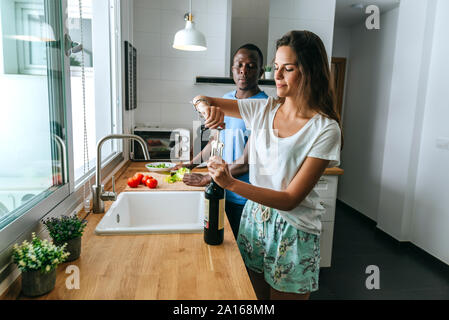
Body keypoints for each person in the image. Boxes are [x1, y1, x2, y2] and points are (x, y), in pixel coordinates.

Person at [191, 30, 342, 300]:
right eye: (276, 67)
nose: (278, 76)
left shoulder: (325, 129)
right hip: (255, 220)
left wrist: (230, 183)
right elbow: (201, 99)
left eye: (289, 68)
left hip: (293, 230)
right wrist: (206, 109)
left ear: (310, 72)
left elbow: (290, 200)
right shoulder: (263, 109)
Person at [176, 44, 268, 239]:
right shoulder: (226, 100)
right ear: (232, 70)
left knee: (240, 255)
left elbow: (246, 163)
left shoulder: (263, 107)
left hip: (244, 198)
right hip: (219, 190)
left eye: (251, 66)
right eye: (239, 65)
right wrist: (191, 164)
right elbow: (216, 141)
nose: (244, 70)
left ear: (260, 71)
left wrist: (207, 179)